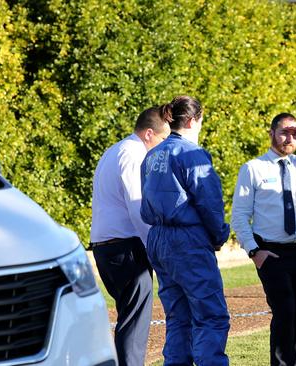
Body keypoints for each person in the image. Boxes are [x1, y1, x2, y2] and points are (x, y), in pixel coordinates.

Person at [231, 113, 296, 366]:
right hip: (270, 253)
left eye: (294, 134)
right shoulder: (253, 168)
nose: (289, 138)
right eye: (284, 132)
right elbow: (240, 216)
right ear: (271, 134)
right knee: (284, 311)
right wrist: (254, 252)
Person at [140, 96, 231, 366]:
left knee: (178, 316)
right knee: (210, 315)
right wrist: (218, 235)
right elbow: (209, 201)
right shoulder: (192, 153)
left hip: (158, 237)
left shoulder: (152, 154)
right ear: (193, 120)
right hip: (187, 239)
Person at [89, 106, 170, 366]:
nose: (164, 145)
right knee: (135, 324)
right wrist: (154, 247)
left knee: (128, 319)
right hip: (127, 248)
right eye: (162, 138)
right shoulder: (134, 154)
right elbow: (138, 205)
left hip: (106, 247)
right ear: (149, 134)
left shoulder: (113, 150)